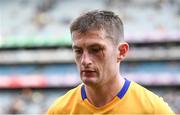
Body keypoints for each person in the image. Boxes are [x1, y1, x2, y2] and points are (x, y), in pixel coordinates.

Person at [47, 10, 174, 114]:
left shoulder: (153, 110)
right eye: (78, 51)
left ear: (121, 52)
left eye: (96, 50)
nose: (85, 61)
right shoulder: (59, 110)